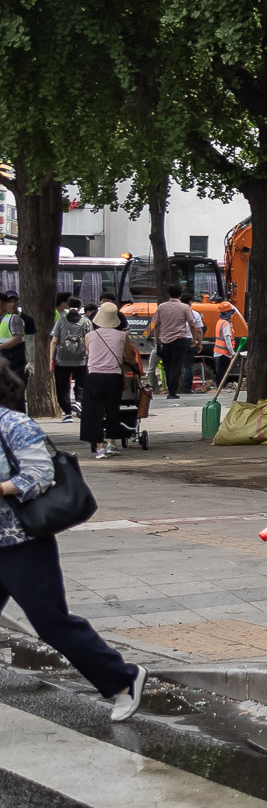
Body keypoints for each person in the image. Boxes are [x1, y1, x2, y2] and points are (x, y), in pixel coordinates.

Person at [0, 362, 147, 720]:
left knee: (50, 622)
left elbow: (40, 474)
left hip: (20, 543)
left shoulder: (14, 424)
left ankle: (124, 679)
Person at [80, 304, 135, 458]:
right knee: (113, 410)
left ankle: (99, 447)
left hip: (94, 377)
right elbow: (130, 358)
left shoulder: (89, 336)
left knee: (94, 412)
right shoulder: (123, 336)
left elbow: (89, 354)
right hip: (114, 377)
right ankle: (112, 442)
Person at [152, 288, 199, 397]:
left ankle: (170, 390)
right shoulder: (185, 307)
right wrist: (194, 338)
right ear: (180, 295)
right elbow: (192, 324)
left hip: (165, 340)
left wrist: (157, 338)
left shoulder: (161, 307)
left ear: (169, 294)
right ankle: (173, 391)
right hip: (180, 339)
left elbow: (157, 324)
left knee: (167, 366)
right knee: (176, 365)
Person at [49, 294, 86, 419]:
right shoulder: (86, 322)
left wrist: (51, 360)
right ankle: (78, 402)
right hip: (81, 360)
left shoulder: (61, 320)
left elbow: (54, 341)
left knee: (62, 386)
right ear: (80, 307)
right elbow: (90, 341)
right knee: (81, 384)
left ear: (68, 306)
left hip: (62, 360)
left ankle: (67, 413)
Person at [0, 292, 25, 382]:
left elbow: (18, 338)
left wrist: (1, 346)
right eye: (10, 301)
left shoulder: (13, 318)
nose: (12, 304)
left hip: (13, 363)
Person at [210, 312, 238, 390]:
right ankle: (222, 386)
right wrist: (232, 352)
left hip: (219, 351)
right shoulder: (226, 324)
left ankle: (220, 386)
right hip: (224, 352)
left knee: (220, 370)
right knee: (224, 371)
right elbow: (227, 338)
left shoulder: (219, 322)